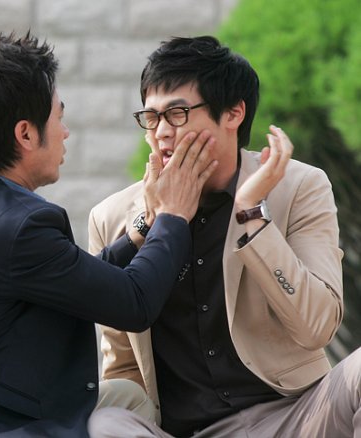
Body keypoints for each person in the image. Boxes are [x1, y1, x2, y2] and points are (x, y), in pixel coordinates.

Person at [0, 31, 219, 438]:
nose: (65, 133)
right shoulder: (15, 227)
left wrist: (145, 225)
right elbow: (135, 303)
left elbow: (77, 280)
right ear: (26, 134)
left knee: (127, 398)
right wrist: (174, 214)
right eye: (58, 118)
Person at [87, 36, 361, 437]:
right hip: (180, 432)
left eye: (177, 113)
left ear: (233, 113)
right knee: (103, 421)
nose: (161, 132)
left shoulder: (299, 186)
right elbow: (124, 370)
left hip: (296, 417)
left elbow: (316, 327)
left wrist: (253, 215)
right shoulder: (111, 219)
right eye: (151, 117)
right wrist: (153, 222)